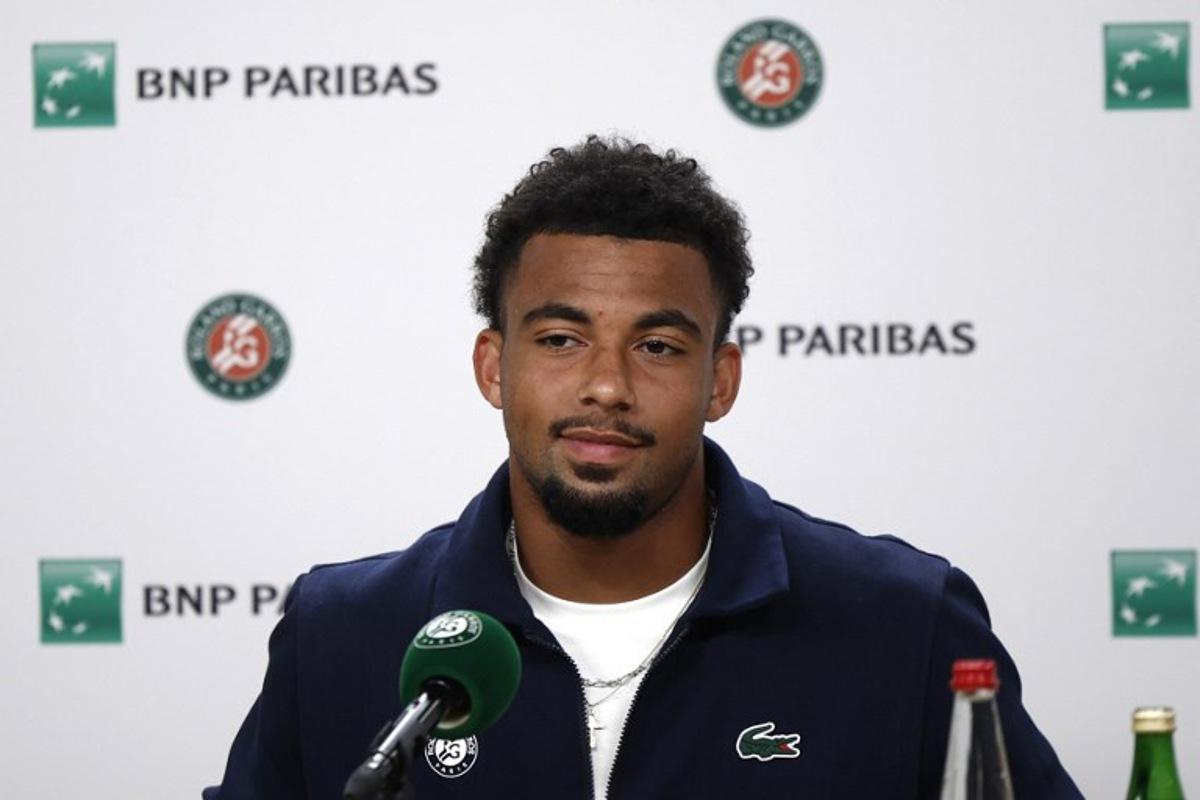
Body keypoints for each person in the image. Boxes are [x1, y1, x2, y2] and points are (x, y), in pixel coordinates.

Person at [205, 137, 1081, 799]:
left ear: (720, 381)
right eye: (559, 338)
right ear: (492, 366)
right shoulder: (344, 634)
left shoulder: (903, 623)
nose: (606, 386)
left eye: (658, 345)